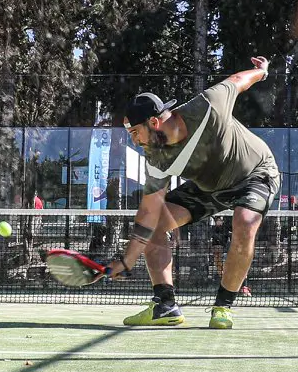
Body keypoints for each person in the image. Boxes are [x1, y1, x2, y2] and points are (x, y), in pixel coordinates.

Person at [99, 57, 278, 329]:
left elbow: (238, 82)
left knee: (244, 222)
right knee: (156, 225)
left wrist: (262, 72)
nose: (134, 142)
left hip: (254, 173)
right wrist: (127, 260)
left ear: (154, 122)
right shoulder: (157, 158)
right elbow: (147, 214)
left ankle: (223, 306)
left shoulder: (208, 106)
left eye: (135, 133)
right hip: (209, 185)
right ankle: (165, 305)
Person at [208, 215, 250, 296]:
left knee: (242, 262)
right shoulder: (216, 227)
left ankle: (244, 286)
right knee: (218, 257)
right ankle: (224, 284)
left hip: (237, 239)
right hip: (222, 241)